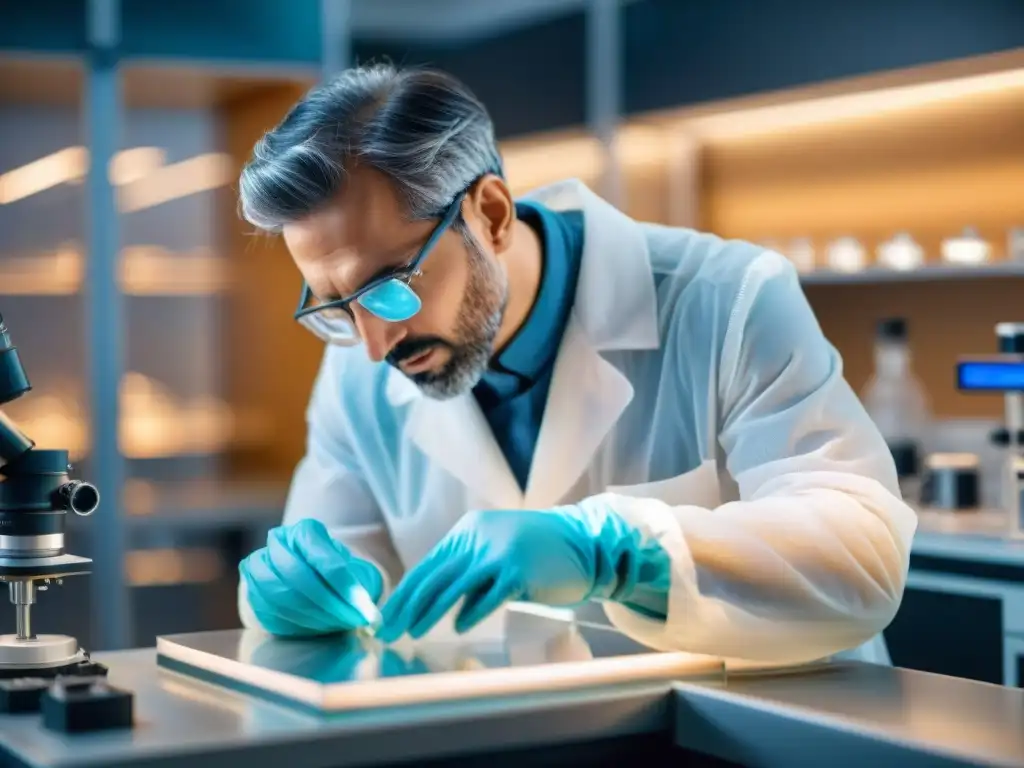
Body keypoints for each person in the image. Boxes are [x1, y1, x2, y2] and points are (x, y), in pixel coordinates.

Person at [235, 63, 917, 665]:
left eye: (389, 287)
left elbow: (864, 558)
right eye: (334, 307)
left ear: (492, 215)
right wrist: (294, 596)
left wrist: (617, 549)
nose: (375, 345)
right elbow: (348, 573)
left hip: (771, 730)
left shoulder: (726, 298)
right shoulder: (358, 368)